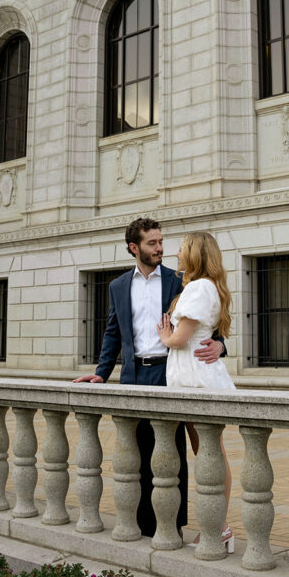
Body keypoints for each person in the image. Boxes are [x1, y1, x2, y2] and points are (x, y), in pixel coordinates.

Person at [73, 218, 224, 537]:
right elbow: (112, 333)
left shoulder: (180, 280)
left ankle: (172, 527)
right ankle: (141, 526)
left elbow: (211, 317)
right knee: (136, 454)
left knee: (172, 456)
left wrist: (221, 344)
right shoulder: (117, 287)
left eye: (161, 241)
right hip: (132, 374)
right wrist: (102, 374)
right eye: (152, 243)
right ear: (134, 248)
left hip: (169, 373)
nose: (160, 248)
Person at [156, 231, 235, 553]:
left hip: (195, 381)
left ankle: (219, 527)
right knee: (208, 455)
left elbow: (179, 340)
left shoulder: (200, 288)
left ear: (195, 254)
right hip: (194, 378)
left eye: (182, 249)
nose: (176, 253)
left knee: (210, 456)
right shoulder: (204, 287)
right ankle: (217, 526)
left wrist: (164, 335)